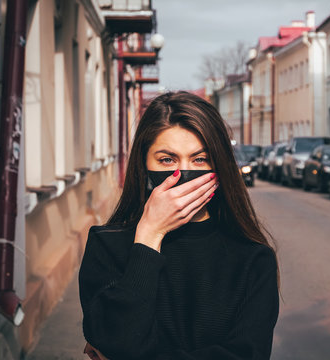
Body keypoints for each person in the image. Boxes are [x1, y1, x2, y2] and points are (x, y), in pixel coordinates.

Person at [78, 91, 279, 360]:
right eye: (167, 160)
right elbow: (119, 339)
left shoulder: (253, 259)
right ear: (143, 164)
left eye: (200, 159)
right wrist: (150, 235)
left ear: (219, 166)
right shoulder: (107, 246)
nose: (183, 174)